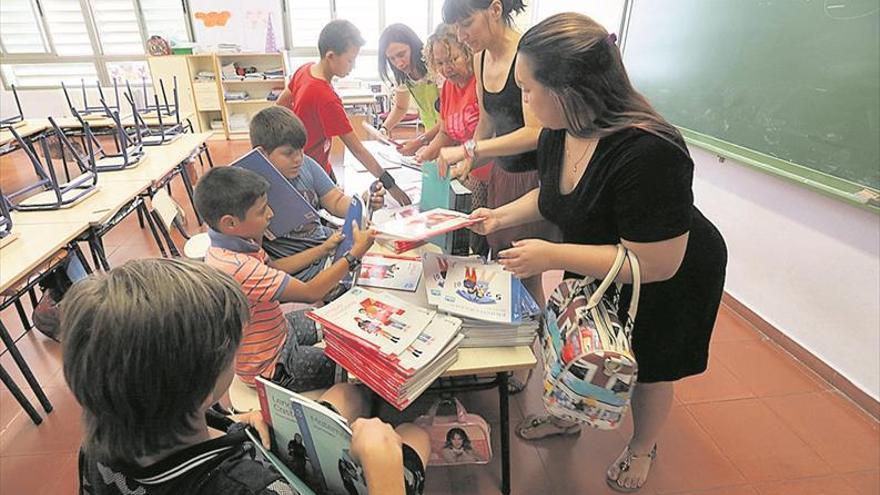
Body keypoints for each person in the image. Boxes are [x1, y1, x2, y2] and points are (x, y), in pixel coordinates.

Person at [469, 13, 728, 492]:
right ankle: (571, 414)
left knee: (648, 364)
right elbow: (553, 194)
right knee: (581, 345)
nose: (523, 101)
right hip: (599, 252)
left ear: (570, 88)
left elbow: (653, 263)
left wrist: (548, 256)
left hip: (668, 271)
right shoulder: (558, 130)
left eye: (529, 90)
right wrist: (500, 217)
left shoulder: (650, 150)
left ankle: (642, 446)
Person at [61, 258, 432, 495]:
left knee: (344, 397)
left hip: (230, 456)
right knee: (414, 437)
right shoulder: (257, 491)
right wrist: (384, 472)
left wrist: (231, 424)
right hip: (257, 474)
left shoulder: (98, 444)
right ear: (205, 389)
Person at [440, 0, 555, 393]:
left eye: (465, 23)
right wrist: (468, 164)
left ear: (494, 8)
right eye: (455, 28)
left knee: (526, 271)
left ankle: (528, 359)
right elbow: (487, 124)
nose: (461, 35)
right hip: (502, 174)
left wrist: (472, 152)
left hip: (532, 176)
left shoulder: (528, 54)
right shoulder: (480, 58)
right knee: (495, 264)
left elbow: (535, 131)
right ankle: (500, 344)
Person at [194, 166, 374, 392]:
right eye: (261, 211)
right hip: (273, 365)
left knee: (336, 319)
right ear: (230, 223)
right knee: (353, 368)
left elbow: (275, 268)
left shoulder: (233, 246)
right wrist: (353, 255)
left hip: (280, 330)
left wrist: (323, 249)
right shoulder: (238, 267)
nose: (270, 213)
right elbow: (311, 293)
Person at [277, 19, 411, 205]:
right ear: (331, 56)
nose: (353, 66)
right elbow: (357, 149)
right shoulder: (326, 97)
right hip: (307, 172)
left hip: (315, 164)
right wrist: (391, 185)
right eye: (350, 60)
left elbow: (279, 106)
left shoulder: (304, 69)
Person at [250, 106, 385, 276]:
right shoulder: (249, 187)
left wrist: (364, 202)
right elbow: (263, 261)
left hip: (328, 245)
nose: (298, 159)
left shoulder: (307, 165)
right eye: (288, 153)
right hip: (300, 267)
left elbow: (335, 201)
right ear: (262, 153)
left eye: (301, 149)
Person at [413, 23, 491, 256]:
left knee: (478, 242)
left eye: (452, 59)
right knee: (458, 238)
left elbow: (490, 130)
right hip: (463, 173)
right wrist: (428, 151)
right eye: (439, 62)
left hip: (486, 172)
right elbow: (446, 132)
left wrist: (465, 159)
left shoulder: (481, 81)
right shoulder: (447, 87)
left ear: (467, 52)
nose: (447, 68)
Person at [377, 23, 441, 153]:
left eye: (402, 54)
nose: (398, 63)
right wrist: (384, 129)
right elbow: (401, 107)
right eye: (392, 59)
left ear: (414, 46)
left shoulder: (435, 66)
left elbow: (449, 116)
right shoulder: (401, 75)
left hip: (448, 134)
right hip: (431, 134)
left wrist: (420, 142)